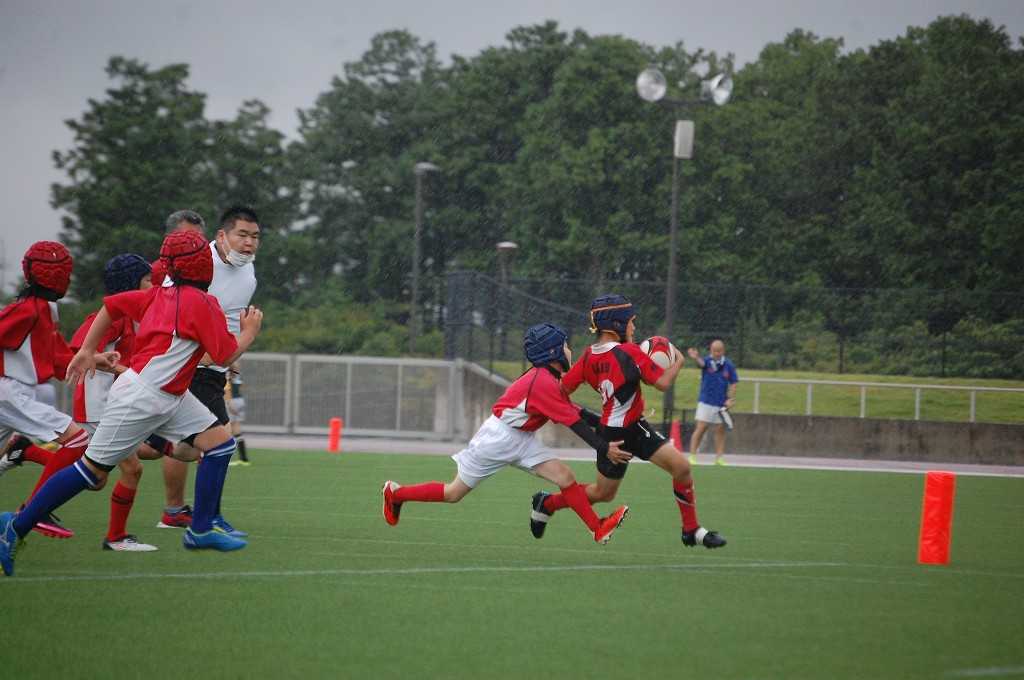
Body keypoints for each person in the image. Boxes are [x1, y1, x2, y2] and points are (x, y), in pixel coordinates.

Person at [0, 228, 264, 576]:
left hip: (169, 395)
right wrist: (249, 332)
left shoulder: (160, 293)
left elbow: (110, 306)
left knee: (219, 446)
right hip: (143, 397)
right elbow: (225, 354)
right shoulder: (202, 302)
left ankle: (200, 530)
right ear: (201, 265)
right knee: (90, 472)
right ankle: (15, 526)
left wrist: (86, 350)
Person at [382, 323, 630, 544]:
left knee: (565, 477)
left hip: (521, 438)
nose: (569, 350)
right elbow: (574, 423)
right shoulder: (543, 382)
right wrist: (604, 447)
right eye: (565, 345)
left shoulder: (549, 378)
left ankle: (597, 528)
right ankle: (396, 494)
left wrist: (602, 422)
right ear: (553, 352)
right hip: (497, 439)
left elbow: (573, 410)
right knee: (453, 493)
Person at [531, 294, 726, 549]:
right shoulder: (630, 352)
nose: (634, 327)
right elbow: (663, 383)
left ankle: (691, 530)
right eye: (631, 322)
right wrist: (678, 360)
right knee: (603, 494)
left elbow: (561, 391)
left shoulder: (588, 357)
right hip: (614, 439)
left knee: (681, 468)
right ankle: (547, 503)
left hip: (635, 428)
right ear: (617, 324)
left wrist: (583, 414)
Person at [0, 242, 119, 539]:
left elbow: (57, 358)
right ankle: (34, 511)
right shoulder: (27, 309)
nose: (66, 277)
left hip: (15, 395)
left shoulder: (45, 308)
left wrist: (95, 360)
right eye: (64, 271)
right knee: (78, 438)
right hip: (9, 393)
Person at [160, 207, 259, 538]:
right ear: (221, 236)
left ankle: (154, 444)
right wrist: (201, 355)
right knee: (221, 443)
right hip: (188, 369)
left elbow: (228, 318)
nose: (249, 243)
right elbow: (168, 310)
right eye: (242, 235)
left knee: (192, 448)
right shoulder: (196, 265)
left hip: (215, 369)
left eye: (255, 236)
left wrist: (231, 355)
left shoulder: (248, 273)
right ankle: (206, 520)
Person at [687, 339, 739, 466]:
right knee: (701, 428)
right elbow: (701, 363)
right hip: (706, 401)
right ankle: (692, 456)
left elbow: (733, 383)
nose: (717, 353)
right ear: (711, 350)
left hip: (721, 403)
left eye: (719, 351)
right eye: (714, 351)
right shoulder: (707, 361)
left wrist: (730, 399)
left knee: (720, 430)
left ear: (723, 351)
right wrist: (696, 357)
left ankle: (719, 458)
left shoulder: (728, 365)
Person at [226, 363, 250, 467]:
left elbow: (227, 390)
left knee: (226, 430)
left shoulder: (226, 374)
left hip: (232, 401)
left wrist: (229, 403)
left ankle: (223, 457)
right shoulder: (237, 375)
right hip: (240, 400)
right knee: (236, 429)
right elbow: (241, 387)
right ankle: (244, 459)